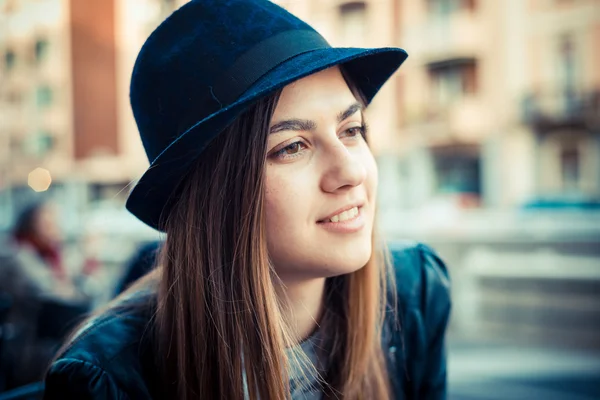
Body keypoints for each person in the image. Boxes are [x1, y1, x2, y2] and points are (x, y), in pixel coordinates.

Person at [43, 0, 451, 399]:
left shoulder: (414, 293)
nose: (351, 172)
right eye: (292, 146)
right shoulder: (109, 381)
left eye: (351, 129)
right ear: (213, 194)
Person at [0, 201, 85, 387]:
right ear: (31, 224)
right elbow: (53, 293)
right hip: (25, 347)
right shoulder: (17, 254)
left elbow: (78, 291)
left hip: (43, 339)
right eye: (47, 223)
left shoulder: (48, 253)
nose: (54, 228)